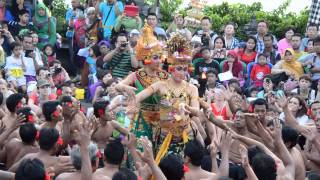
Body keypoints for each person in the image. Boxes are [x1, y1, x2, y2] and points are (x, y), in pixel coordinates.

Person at [135, 34, 202, 162]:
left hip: (185, 135)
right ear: (171, 69)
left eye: (185, 69)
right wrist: (132, 100)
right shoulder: (160, 85)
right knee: (163, 167)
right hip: (165, 135)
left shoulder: (192, 88)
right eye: (179, 69)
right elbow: (141, 95)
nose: (182, 73)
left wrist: (187, 108)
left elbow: (197, 111)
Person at [116, 32, 168, 140]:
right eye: (155, 58)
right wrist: (125, 87)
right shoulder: (137, 75)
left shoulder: (165, 76)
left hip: (161, 119)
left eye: (159, 57)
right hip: (142, 118)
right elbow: (118, 86)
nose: (159, 61)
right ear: (146, 59)